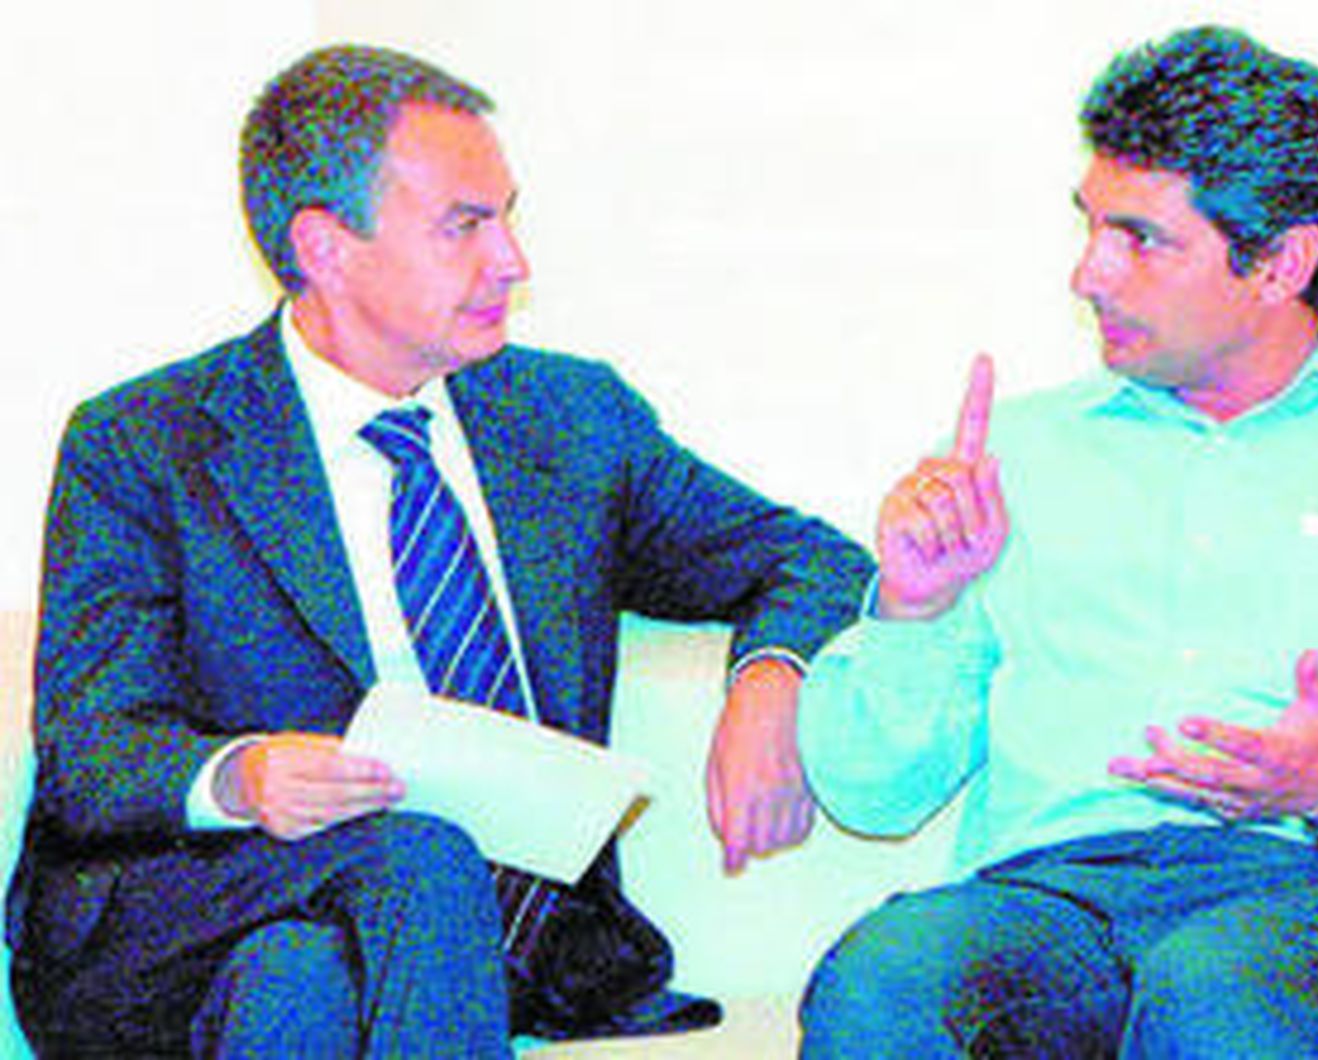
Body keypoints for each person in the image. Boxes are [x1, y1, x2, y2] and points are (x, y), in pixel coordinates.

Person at [8, 44, 873, 1058]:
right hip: (194, 917)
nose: (512, 261)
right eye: (465, 226)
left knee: (299, 986)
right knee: (412, 859)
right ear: (326, 247)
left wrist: (771, 677)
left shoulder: (567, 421)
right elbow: (90, 747)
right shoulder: (147, 443)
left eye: (507, 217)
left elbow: (809, 557)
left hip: (456, 947)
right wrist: (239, 774)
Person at [797, 25, 1318, 1058]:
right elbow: (868, 793)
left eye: (1141, 240)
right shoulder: (1012, 460)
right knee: (887, 983)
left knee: (1221, 1005)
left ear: (1280, 263)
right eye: (1090, 227)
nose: (1088, 275)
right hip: (1048, 900)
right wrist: (915, 611)